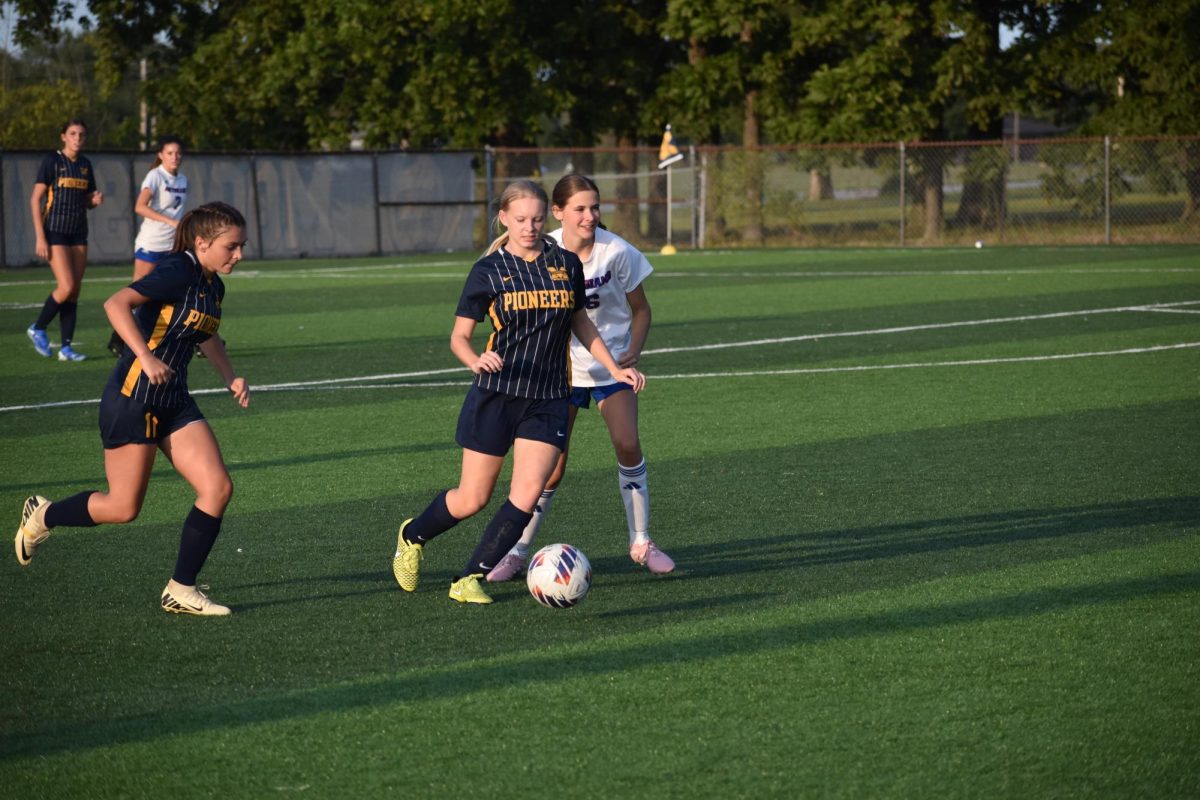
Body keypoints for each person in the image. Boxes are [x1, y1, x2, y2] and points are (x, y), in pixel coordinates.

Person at [391, 180, 645, 605]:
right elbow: (459, 337)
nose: (530, 227)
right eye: (521, 219)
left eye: (537, 219)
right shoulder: (487, 270)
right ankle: (412, 534)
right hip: (497, 394)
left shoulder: (564, 262)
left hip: (548, 398)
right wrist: (474, 360)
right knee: (472, 497)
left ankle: (468, 578)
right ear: (504, 219)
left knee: (527, 494)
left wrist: (616, 367)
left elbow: (580, 321)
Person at [15, 202, 251, 617]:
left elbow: (206, 335)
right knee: (123, 508)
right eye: (232, 246)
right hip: (133, 398)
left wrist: (230, 376)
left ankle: (181, 588)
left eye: (241, 246)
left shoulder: (214, 285)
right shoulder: (178, 269)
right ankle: (45, 513)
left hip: (174, 400)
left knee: (218, 488)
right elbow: (115, 304)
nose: (239, 255)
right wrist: (144, 355)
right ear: (202, 242)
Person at [486, 174, 675, 583]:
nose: (590, 216)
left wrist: (632, 353)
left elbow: (642, 311)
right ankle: (516, 551)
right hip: (558, 370)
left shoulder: (618, 252)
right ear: (557, 213)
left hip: (610, 367)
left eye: (595, 207)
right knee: (549, 470)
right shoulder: (542, 247)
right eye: (580, 209)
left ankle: (642, 542)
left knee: (627, 443)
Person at [27, 118, 104, 362]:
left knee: (74, 292)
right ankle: (38, 327)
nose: (77, 138)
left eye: (81, 134)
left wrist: (93, 201)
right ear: (63, 136)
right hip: (55, 231)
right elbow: (35, 199)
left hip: (79, 233)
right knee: (67, 285)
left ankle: (66, 348)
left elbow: (85, 201)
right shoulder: (53, 161)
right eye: (73, 134)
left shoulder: (85, 164)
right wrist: (40, 236)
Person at [107, 136, 189, 357]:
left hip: (172, 245)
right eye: (170, 152)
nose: (175, 157)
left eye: (178, 153)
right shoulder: (155, 176)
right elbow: (139, 207)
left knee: (179, 290)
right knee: (138, 292)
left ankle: (193, 339)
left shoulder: (182, 179)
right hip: (151, 243)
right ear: (161, 155)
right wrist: (170, 221)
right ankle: (118, 338)